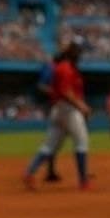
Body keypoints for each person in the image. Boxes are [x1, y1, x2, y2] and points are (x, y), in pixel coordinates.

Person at [23, 42, 92, 191]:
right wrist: (82, 107)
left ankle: (30, 172)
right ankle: (83, 180)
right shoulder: (66, 68)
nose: (79, 57)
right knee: (81, 142)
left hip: (57, 110)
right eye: (78, 54)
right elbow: (66, 92)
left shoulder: (63, 67)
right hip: (69, 110)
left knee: (49, 145)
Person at [36, 52, 64, 182]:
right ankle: (32, 171)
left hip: (57, 105)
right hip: (54, 105)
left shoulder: (55, 68)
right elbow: (41, 85)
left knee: (55, 140)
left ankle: (50, 170)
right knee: (52, 139)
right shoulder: (51, 67)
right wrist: (55, 93)